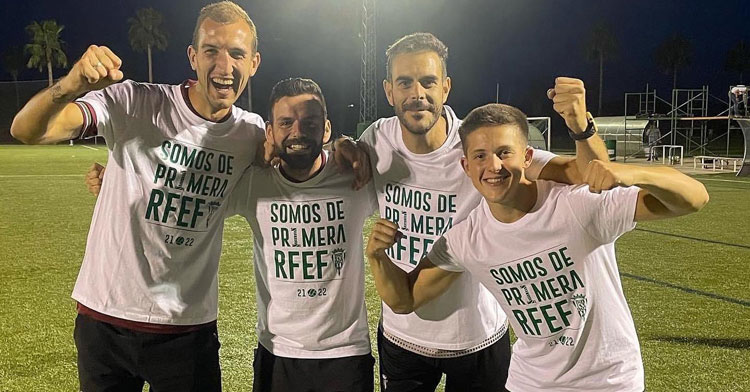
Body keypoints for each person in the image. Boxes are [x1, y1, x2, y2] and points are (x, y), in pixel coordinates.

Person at [11, 2, 367, 391]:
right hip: (106, 319)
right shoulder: (135, 102)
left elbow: (299, 147)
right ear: (192, 56)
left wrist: (344, 145)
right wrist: (71, 84)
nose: (224, 65)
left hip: (187, 331)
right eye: (212, 50)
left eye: (236, 53)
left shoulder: (249, 134)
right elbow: (28, 130)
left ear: (254, 63)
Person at [365, 103, 709, 391]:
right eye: (480, 156)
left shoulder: (577, 206)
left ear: (528, 156)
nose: (493, 167)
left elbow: (693, 198)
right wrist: (378, 257)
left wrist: (632, 174)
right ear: (466, 166)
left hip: (607, 382)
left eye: (504, 153)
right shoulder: (466, 239)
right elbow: (403, 300)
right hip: (529, 383)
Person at [356, 32, 609, 391]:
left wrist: (582, 127)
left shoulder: (479, 145)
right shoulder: (375, 140)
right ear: (388, 91)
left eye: (428, 81)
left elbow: (589, 175)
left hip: (479, 334)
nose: (417, 94)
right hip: (403, 337)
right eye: (404, 83)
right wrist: (338, 147)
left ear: (445, 87)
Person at [224, 77, 377, 391]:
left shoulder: (356, 177)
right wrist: (121, 184)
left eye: (310, 123)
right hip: (278, 353)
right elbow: (193, 196)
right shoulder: (254, 183)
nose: (298, 133)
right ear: (270, 131)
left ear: (327, 129)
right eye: (286, 122)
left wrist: (346, 144)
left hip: (346, 354)